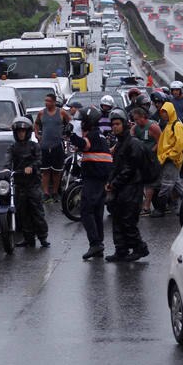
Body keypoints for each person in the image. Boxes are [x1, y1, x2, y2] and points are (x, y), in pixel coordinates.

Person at [69, 107, 113, 259]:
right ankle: (99, 244)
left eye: (82, 121)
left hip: (94, 177)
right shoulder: (99, 135)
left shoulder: (93, 135)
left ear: (89, 122)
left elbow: (83, 144)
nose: (80, 124)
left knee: (86, 210)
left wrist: (70, 135)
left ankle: (95, 244)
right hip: (100, 177)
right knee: (97, 212)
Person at [105, 110, 148, 262]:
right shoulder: (119, 144)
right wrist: (110, 182)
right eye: (113, 124)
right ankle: (121, 249)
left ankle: (139, 248)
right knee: (117, 220)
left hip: (132, 188)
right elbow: (116, 167)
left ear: (124, 124)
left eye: (117, 124)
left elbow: (129, 169)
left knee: (128, 220)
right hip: (120, 188)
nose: (115, 127)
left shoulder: (133, 143)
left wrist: (114, 183)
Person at [4, 117, 49, 248]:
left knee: (37, 212)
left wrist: (32, 167)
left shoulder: (34, 146)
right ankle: (28, 239)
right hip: (19, 185)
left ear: (28, 132)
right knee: (23, 214)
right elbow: (7, 161)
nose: (21, 134)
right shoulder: (12, 147)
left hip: (33, 185)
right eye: (18, 131)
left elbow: (40, 160)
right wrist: (6, 170)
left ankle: (43, 238)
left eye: (23, 131)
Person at [151, 101, 183, 218]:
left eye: (165, 112)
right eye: (162, 112)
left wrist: (170, 155)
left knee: (166, 184)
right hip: (166, 158)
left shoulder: (176, 125)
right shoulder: (169, 125)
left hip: (171, 159)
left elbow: (180, 143)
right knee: (176, 183)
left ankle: (160, 209)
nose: (163, 115)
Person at [34, 93, 71, 202]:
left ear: (54, 102)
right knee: (45, 171)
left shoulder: (62, 112)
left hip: (57, 145)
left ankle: (55, 192)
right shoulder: (41, 113)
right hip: (45, 145)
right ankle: (45, 193)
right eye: (45, 101)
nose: (46, 103)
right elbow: (36, 124)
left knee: (56, 171)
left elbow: (70, 123)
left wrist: (67, 134)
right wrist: (37, 134)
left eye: (49, 101)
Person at [130, 104, 161, 215]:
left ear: (143, 117)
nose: (136, 121)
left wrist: (150, 153)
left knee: (150, 183)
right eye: (134, 120)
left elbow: (160, 142)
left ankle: (147, 207)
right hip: (140, 158)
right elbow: (130, 139)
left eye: (137, 119)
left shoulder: (153, 126)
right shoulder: (135, 127)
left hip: (152, 159)